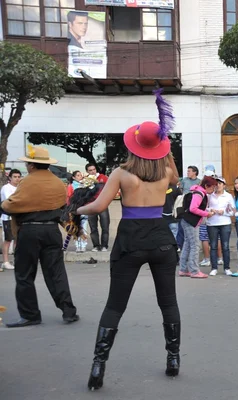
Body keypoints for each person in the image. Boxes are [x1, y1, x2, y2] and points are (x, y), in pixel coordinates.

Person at [76, 91, 182, 390]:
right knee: (168, 302)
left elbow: (97, 207)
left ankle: (98, 367)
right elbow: (175, 178)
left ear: (133, 145)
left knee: (115, 305)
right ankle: (173, 359)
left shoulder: (122, 173)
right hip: (161, 238)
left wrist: (76, 209)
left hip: (130, 241)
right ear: (158, 147)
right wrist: (166, 149)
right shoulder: (165, 172)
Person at [1, 146, 79, 328]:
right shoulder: (58, 184)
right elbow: (62, 206)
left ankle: (30, 315)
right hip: (52, 231)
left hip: (29, 232)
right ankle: (68, 311)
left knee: (25, 275)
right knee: (56, 273)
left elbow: (10, 206)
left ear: (32, 166)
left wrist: (5, 204)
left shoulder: (27, 183)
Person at [178, 176, 217, 279]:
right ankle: (194, 271)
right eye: (212, 187)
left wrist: (206, 212)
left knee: (187, 244)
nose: (213, 190)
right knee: (195, 245)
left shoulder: (197, 191)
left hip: (187, 221)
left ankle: (183, 269)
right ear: (206, 186)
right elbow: (193, 208)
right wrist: (206, 214)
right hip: (191, 222)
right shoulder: (199, 193)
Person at [207, 176, 235, 276]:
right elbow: (205, 208)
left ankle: (227, 268)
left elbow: (232, 211)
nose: (218, 185)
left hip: (225, 223)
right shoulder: (210, 195)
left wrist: (223, 212)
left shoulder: (228, 196)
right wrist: (211, 210)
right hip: (212, 223)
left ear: (224, 185)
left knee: (225, 246)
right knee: (213, 246)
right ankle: (214, 267)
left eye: (220, 183)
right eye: (216, 183)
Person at [86, 162, 110, 252]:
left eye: (94, 169)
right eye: (90, 170)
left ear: (96, 169)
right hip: (91, 205)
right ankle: (96, 246)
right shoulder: (86, 180)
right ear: (87, 171)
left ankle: (104, 246)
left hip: (103, 205)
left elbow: (110, 189)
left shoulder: (103, 178)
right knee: (93, 227)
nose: (92, 171)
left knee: (105, 226)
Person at [1, 169, 21, 271]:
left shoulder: (20, 188)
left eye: (18, 177)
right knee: (8, 239)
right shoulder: (6, 188)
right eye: (15, 177)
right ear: (10, 178)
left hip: (18, 217)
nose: (17, 179)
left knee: (17, 239)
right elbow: (10, 201)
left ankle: (16, 260)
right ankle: (5, 261)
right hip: (8, 217)